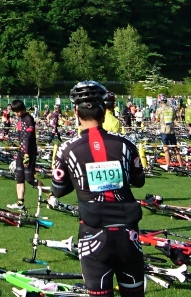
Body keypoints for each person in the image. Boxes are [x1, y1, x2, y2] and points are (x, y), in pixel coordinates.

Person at [51, 81, 146, 297]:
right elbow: (139, 180)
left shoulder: (67, 149)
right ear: (105, 109)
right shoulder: (126, 144)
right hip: (127, 233)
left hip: (93, 235)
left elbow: (57, 189)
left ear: (75, 111)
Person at [8, 99, 39, 209]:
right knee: (19, 177)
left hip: (29, 152)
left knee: (30, 179)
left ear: (22, 109)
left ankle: (50, 195)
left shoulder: (28, 119)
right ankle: (20, 202)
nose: (16, 114)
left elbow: (29, 138)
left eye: (17, 111)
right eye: (14, 112)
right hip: (21, 151)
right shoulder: (20, 119)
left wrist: (26, 154)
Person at [154, 95, 181, 170]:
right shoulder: (172, 109)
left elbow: (156, 119)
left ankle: (168, 165)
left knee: (166, 149)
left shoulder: (159, 109)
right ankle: (181, 164)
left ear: (160, 101)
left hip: (163, 131)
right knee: (176, 149)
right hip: (171, 131)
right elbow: (173, 119)